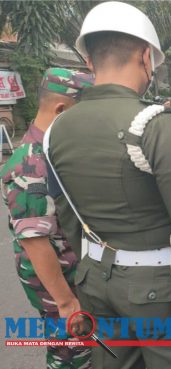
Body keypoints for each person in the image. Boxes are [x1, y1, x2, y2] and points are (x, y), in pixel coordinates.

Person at [45, 2, 171, 368]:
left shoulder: (56, 130)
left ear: (89, 61)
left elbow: (69, 217)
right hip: (160, 291)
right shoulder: (155, 125)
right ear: (146, 57)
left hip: (95, 283)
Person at [1, 68, 93, 369]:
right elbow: (35, 242)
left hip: (73, 276)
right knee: (70, 356)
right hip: (59, 288)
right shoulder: (31, 163)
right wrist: (66, 303)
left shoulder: (53, 150)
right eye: (85, 113)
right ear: (61, 109)